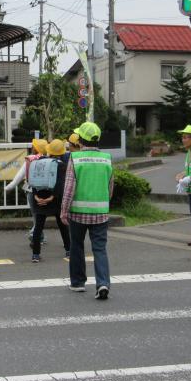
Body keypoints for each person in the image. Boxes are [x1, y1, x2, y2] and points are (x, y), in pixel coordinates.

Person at [61, 122, 113, 299]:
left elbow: (69, 189)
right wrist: (105, 204)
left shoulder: (75, 159)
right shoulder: (107, 158)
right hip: (101, 213)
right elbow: (110, 187)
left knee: (77, 246)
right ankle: (103, 283)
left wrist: (64, 211)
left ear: (80, 140)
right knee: (100, 249)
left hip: (77, 213)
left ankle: (77, 283)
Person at [29, 139, 70, 263]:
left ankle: (36, 254)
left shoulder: (39, 162)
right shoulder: (62, 164)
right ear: (61, 153)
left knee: (38, 227)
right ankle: (69, 250)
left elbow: (33, 179)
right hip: (55, 200)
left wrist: (36, 196)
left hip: (39, 198)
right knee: (63, 226)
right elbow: (60, 184)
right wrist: (52, 197)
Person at [4, 138, 48, 243]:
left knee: (36, 216)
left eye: (34, 146)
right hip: (46, 192)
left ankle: (34, 234)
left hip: (31, 191)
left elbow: (18, 177)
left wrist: (7, 188)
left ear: (35, 148)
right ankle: (39, 236)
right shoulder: (49, 159)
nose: (32, 147)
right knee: (40, 216)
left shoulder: (30, 160)